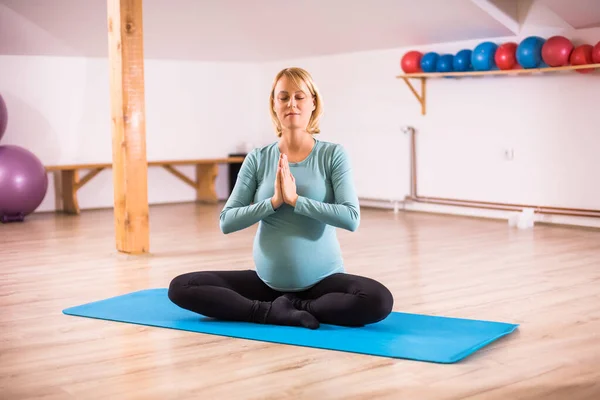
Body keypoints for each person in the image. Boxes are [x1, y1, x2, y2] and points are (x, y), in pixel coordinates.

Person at [168, 67, 393, 329]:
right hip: (266, 284)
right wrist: (273, 203)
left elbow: (351, 218)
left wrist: (297, 200)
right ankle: (268, 311)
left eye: (299, 96)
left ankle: (295, 308)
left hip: (323, 284)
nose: (291, 104)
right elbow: (226, 222)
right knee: (181, 287)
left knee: (378, 300)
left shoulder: (333, 155)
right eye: (283, 97)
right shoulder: (258, 158)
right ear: (274, 105)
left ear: (313, 103)